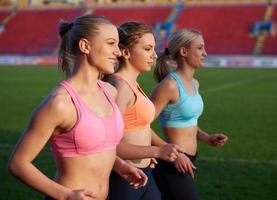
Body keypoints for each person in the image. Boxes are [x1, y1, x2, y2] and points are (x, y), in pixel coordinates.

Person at [8, 14, 147, 200]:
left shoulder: (110, 91)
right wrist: (66, 195)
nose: (119, 52)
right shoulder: (60, 103)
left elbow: (99, 146)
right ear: (85, 46)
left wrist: (120, 165)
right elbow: (18, 163)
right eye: (111, 43)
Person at [107, 21, 184, 200]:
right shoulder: (120, 87)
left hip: (144, 173)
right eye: (147, 49)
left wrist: (163, 147)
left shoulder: (132, 84)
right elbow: (108, 144)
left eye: (154, 49)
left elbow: (141, 127)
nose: (154, 55)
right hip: (125, 177)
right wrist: (154, 152)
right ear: (126, 52)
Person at [151, 29, 229, 200]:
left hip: (190, 159)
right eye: (200, 48)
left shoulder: (195, 83)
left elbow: (188, 123)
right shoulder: (169, 86)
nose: (205, 53)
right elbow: (140, 125)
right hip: (172, 162)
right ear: (184, 51)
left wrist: (207, 138)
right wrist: (173, 153)